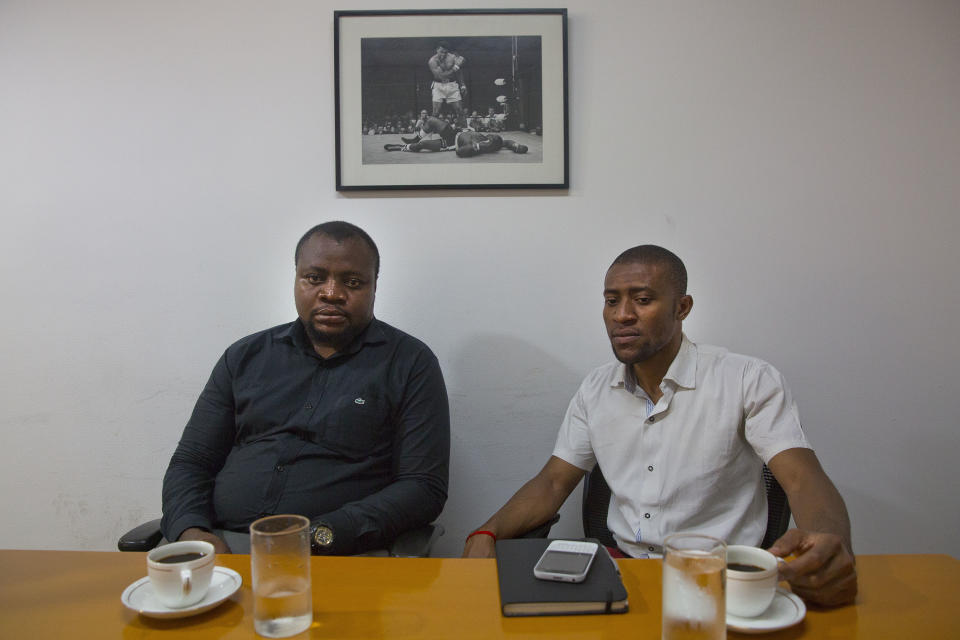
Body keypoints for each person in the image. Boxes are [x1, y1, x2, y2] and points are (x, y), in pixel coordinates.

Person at [462, 245, 857, 607]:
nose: (622, 315)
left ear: (682, 307)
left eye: (643, 299)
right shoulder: (596, 389)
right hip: (621, 571)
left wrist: (830, 542)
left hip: (720, 579)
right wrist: (487, 532)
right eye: (611, 300)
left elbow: (804, 479)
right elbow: (552, 483)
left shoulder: (747, 379)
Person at [161, 221, 450, 556]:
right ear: (297, 279)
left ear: (374, 286)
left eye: (353, 282)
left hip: (339, 552)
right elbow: (192, 461)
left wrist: (321, 533)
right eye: (315, 278)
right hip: (223, 547)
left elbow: (423, 487)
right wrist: (193, 532)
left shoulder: (410, 363)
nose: (331, 293)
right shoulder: (244, 357)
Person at [384, 116, 527, 156]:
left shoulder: (482, 144)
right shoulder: (487, 138)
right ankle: (416, 137)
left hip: (453, 143)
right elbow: (508, 142)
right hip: (453, 133)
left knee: (421, 146)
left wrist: (476, 147)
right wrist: (517, 146)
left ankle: (403, 147)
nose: (492, 135)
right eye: (493, 136)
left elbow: (460, 152)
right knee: (432, 120)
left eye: (492, 137)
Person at [428, 41, 466, 119]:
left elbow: (459, 71)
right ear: (437, 50)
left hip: (452, 84)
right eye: (441, 52)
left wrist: (462, 85)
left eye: (445, 52)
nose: (443, 54)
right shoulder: (432, 61)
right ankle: (433, 130)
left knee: (460, 110)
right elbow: (441, 76)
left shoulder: (452, 57)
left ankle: (464, 130)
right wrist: (455, 67)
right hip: (438, 86)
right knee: (436, 112)